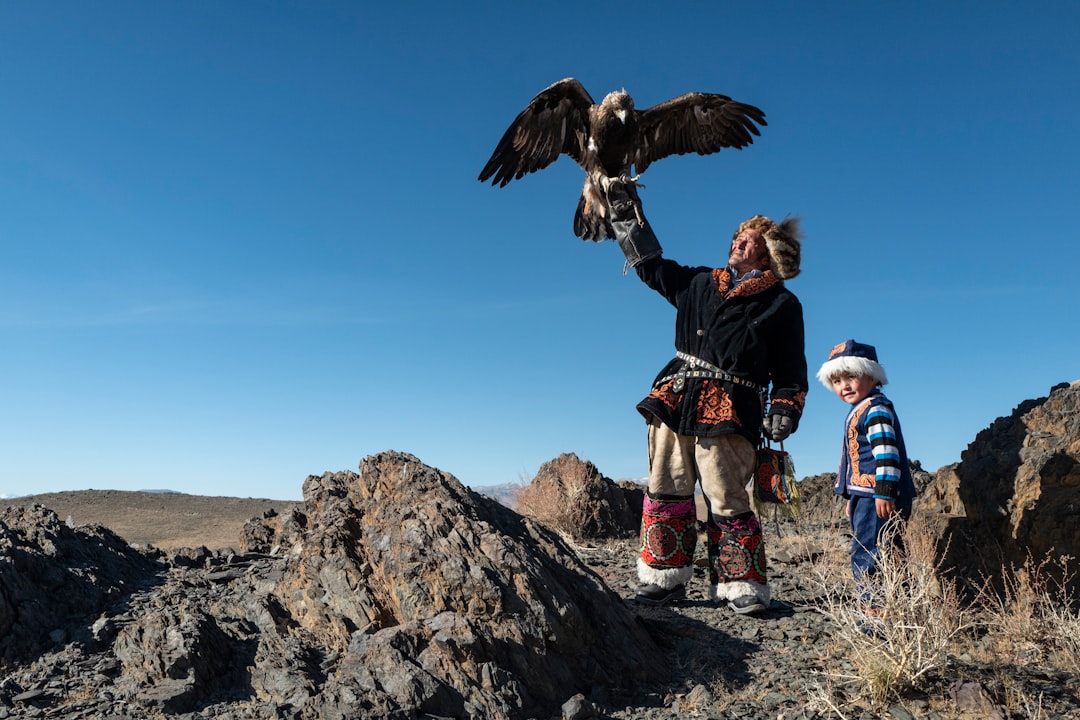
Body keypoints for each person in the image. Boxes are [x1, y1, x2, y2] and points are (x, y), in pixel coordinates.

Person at [606, 180, 808, 614]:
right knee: (665, 485)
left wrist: (784, 410)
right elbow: (652, 268)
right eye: (737, 235)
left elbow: (791, 372)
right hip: (676, 396)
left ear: (768, 251)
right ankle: (664, 577)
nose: (737, 241)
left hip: (733, 407)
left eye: (749, 238)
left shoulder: (782, 304)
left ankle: (741, 584)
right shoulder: (698, 282)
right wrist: (626, 215)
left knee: (727, 492)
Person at [815, 340, 915, 582]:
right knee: (888, 550)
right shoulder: (862, 409)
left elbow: (886, 452)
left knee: (869, 551)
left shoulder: (875, 410)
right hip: (867, 494)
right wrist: (852, 497)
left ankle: (873, 610)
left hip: (878, 495)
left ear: (872, 376)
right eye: (837, 381)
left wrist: (885, 491)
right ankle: (895, 607)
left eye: (851, 377)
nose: (844, 386)